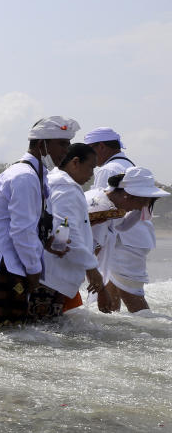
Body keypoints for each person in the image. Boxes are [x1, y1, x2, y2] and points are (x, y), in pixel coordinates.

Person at [0, 116, 78, 334]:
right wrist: (34, 270)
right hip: (3, 263)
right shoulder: (24, 177)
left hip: (11, 262)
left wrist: (47, 242)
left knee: (1, 332)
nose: (66, 150)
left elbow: (33, 223)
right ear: (42, 145)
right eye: (62, 144)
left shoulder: (38, 176)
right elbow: (21, 231)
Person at [84, 127, 161, 313]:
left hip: (123, 240)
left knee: (132, 297)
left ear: (100, 146)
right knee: (113, 290)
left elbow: (103, 206)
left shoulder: (108, 169)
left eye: (89, 151)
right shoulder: (130, 165)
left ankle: (155, 333)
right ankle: (114, 330)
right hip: (134, 237)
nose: (91, 160)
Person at [32, 143, 104, 317]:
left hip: (47, 270)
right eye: (90, 168)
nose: (91, 175)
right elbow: (66, 231)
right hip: (52, 275)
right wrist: (92, 267)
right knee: (44, 334)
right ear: (75, 162)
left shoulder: (56, 183)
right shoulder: (66, 188)